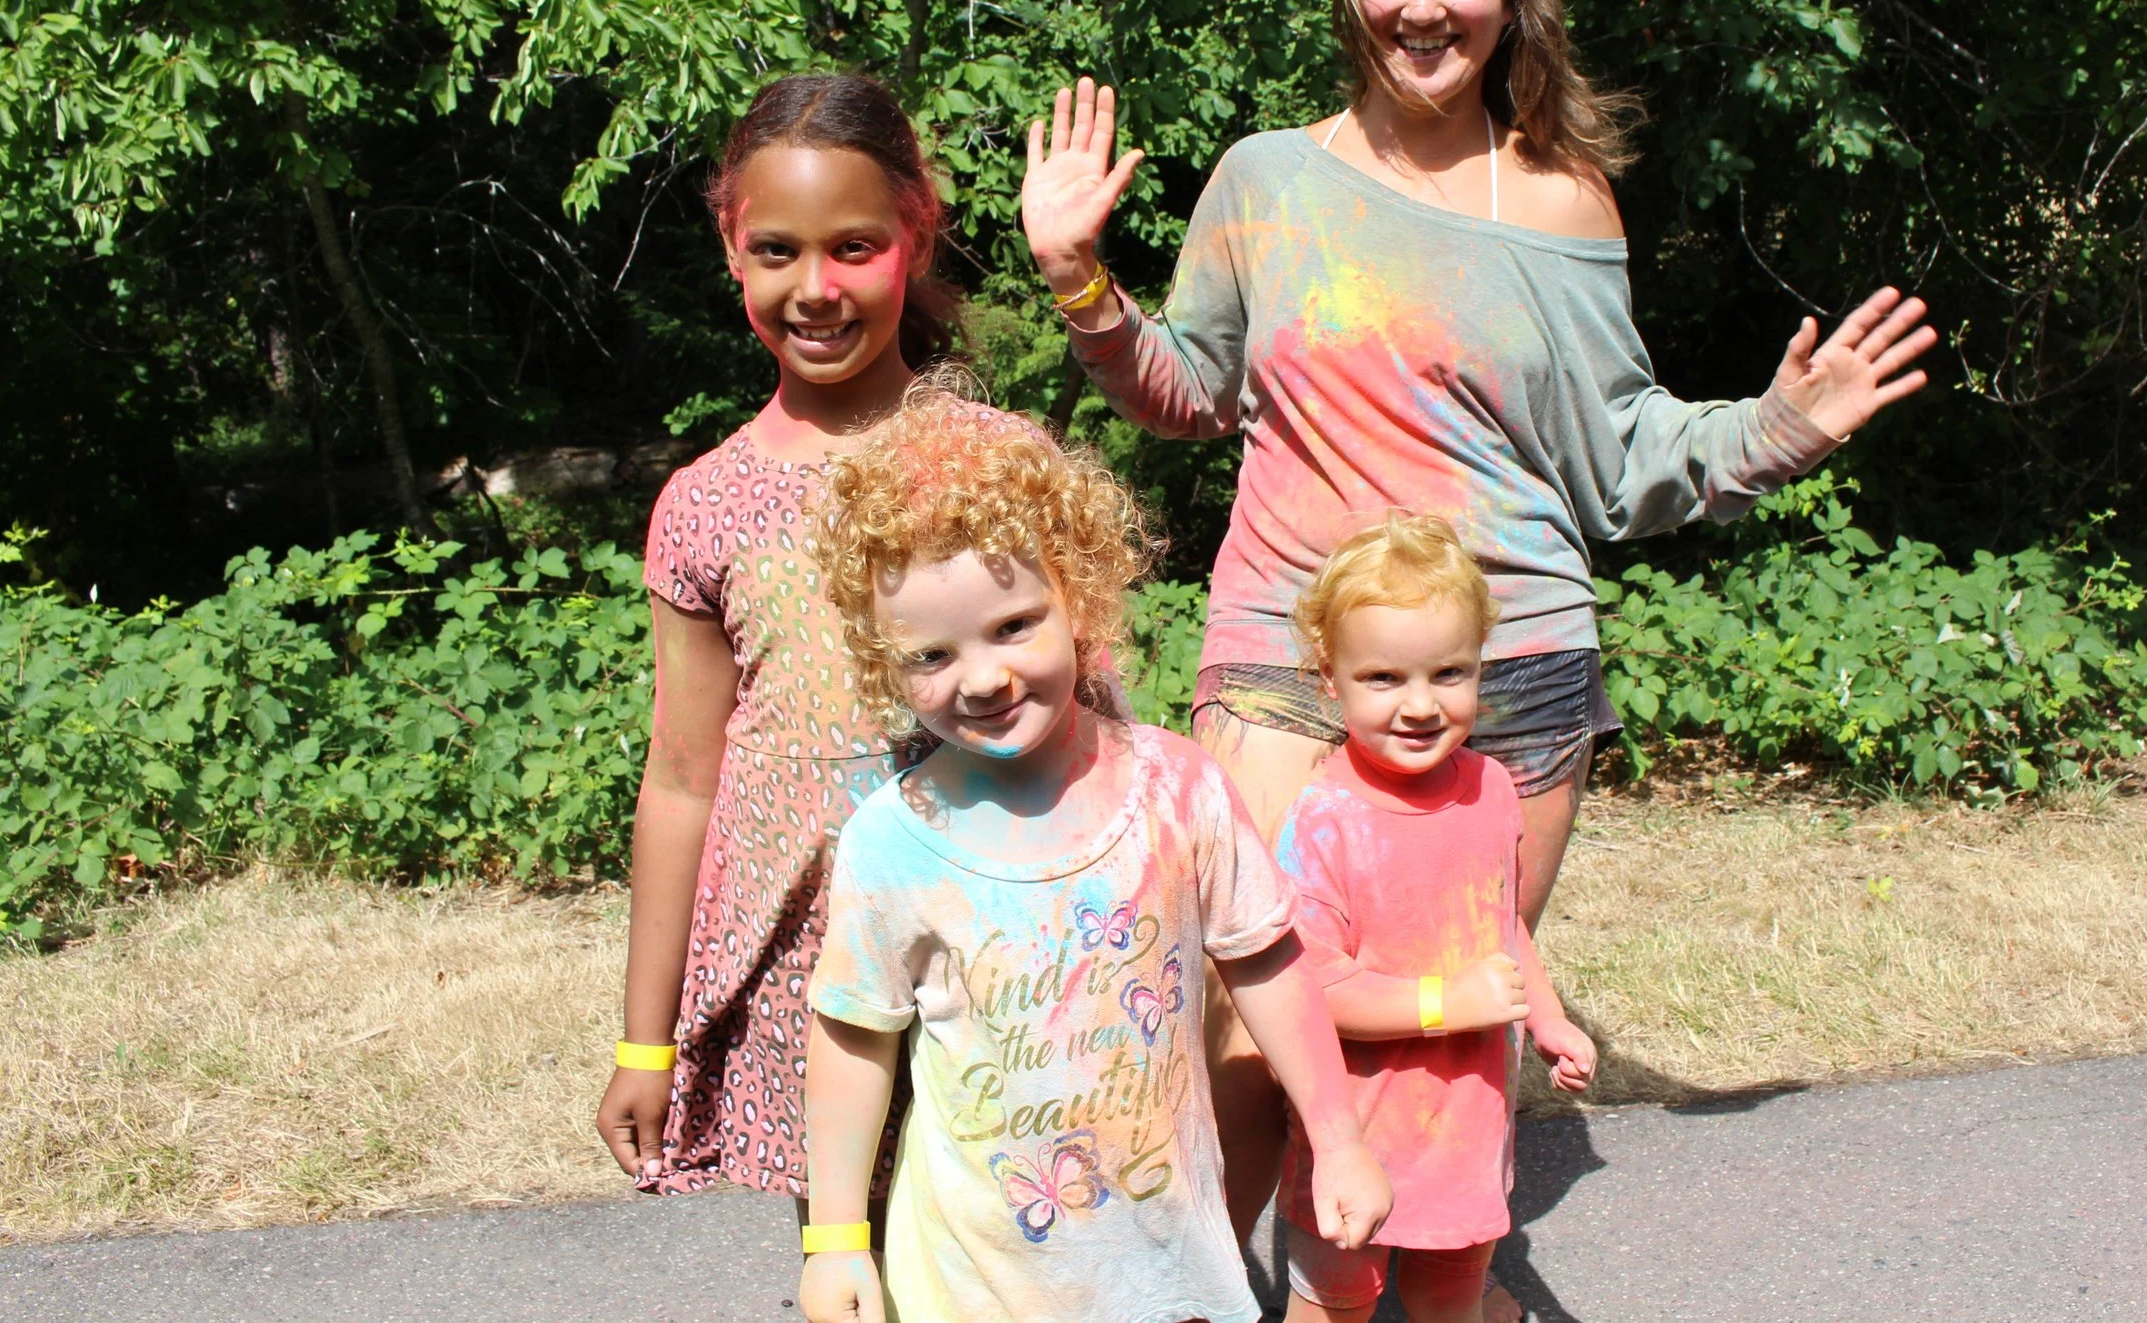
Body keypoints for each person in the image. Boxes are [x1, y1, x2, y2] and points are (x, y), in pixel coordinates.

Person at [1015, 0, 1938, 1292]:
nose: (1423, 3)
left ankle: (1429, 1280)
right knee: (1243, 1032)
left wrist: (1777, 429)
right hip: (1287, 646)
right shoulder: (1266, 178)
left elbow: (1622, 450)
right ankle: (1207, 1291)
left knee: (1448, 1023)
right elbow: (1188, 388)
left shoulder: (1563, 199)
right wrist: (1079, 278)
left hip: (1508, 665)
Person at [794, 386, 1392, 1323]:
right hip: (976, 1280)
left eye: (1014, 625)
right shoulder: (892, 843)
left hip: (1162, 1261)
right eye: (930, 657)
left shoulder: (1179, 789)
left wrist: (1339, 1133)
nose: (983, 677)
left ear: (1077, 594)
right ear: (883, 658)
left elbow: (1267, 961)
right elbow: (854, 1035)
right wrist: (835, 1239)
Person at [593, 72, 964, 1206]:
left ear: (916, 233)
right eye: (778, 251)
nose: (817, 287)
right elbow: (682, 776)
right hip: (804, 971)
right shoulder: (704, 504)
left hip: (983, 957)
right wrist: (642, 1041)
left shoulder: (994, 464)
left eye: (855, 247)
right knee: (841, 1253)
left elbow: (1094, 735)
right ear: (731, 248)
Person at [1273, 513, 1597, 1323]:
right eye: (1384, 678)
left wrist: (1550, 1020)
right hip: (1358, 1121)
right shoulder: (1325, 819)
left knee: (1449, 1289)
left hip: (1465, 1117)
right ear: (1328, 680)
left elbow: (1502, 924)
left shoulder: (1489, 789)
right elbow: (1311, 985)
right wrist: (1441, 1003)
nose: (1421, 704)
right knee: (1337, 1297)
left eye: (1449, 673)